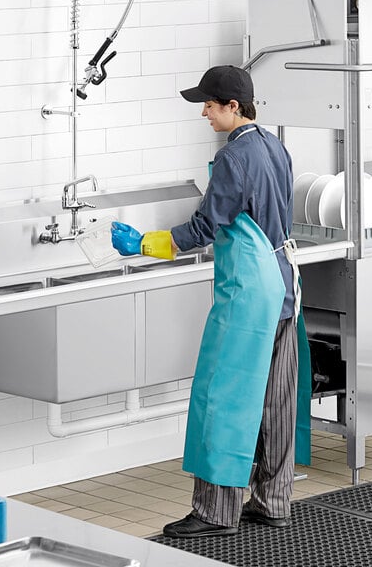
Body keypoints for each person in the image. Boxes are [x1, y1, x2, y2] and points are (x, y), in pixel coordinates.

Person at [111, 65, 309, 538]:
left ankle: (216, 513)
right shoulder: (275, 146)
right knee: (275, 399)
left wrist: (144, 244)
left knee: (223, 395)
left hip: (247, 291)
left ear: (232, 107)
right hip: (283, 283)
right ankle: (273, 500)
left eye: (209, 104)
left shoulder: (233, 159)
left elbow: (204, 229)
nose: (203, 112)